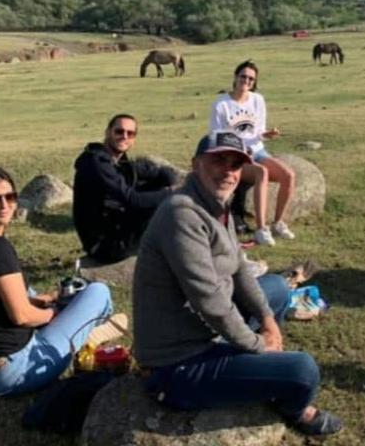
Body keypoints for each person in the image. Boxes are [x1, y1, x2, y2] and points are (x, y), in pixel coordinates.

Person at [133, 131, 342, 437]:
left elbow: (239, 270)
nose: (228, 171)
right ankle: (292, 406)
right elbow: (210, 301)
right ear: (195, 164)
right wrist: (259, 346)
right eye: (218, 160)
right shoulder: (181, 214)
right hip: (177, 362)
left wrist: (269, 321)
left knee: (279, 290)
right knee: (303, 371)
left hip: (204, 330)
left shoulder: (216, 205)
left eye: (235, 164)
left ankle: (254, 367)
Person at [0, 166, 119, 396]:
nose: (4, 205)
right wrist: (53, 314)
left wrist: (40, 299)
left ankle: (71, 327)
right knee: (98, 292)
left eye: (10, 197)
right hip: (9, 373)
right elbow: (21, 316)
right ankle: (84, 333)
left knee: (28, 291)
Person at [209, 60, 296, 246]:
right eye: (243, 76)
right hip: (234, 156)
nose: (246, 81)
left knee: (289, 175)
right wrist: (239, 150)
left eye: (251, 78)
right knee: (261, 173)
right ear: (235, 77)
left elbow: (258, 133)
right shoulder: (221, 103)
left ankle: (278, 223)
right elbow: (216, 136)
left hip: (257, 151)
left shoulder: (258, 100)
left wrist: (267, 134)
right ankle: (261, 229)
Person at [73, 113, 173, 263]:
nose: (124, 136)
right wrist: (171, 192)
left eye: (130, 133)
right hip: (104, 245)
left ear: (134, 138)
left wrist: (172, 181)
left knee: (160, 182)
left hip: (116, 227)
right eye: (119, 131)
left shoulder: (118, 161)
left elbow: (158, 172)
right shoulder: (96, 163)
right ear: (108, 132)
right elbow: (131, 199)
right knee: (163, 202)